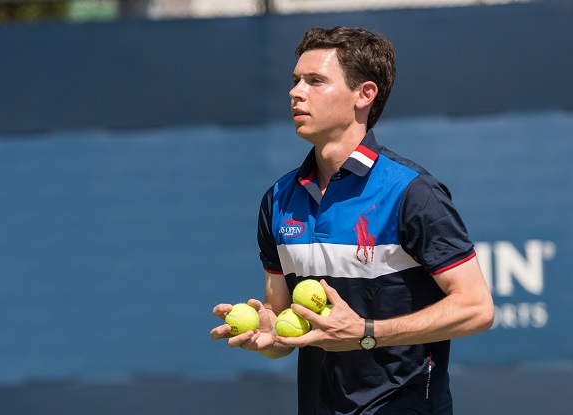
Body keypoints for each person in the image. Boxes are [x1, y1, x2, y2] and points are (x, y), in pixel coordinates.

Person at [211, 26, 494, 415]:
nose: (296, 92)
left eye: (315, 81)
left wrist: (365, 334)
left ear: (364, 94)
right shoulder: (278, 199)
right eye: (295, 80)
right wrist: (268, 331)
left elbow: (477, 307)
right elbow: (282, 318)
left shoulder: (412, 192)